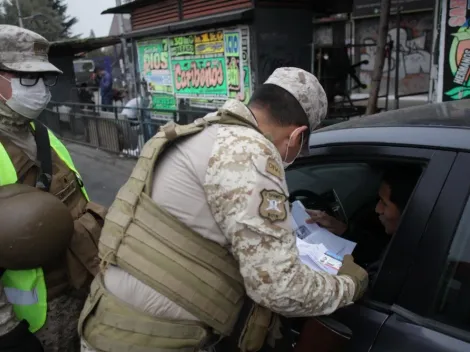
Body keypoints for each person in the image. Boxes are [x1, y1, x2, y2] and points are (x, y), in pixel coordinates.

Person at [79, 67, 368, 352]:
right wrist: (349, 284)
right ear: (297, 136)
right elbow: (280, 289)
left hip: (110, 320)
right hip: (157, 337)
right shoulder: (250, 152)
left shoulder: (202, 131)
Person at [0, 25, 107, 352]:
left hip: (81, 294)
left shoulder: (40, 133)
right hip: (31, 320)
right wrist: (7, 332)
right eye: (27, 78)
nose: (40, 90)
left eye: (44, 79)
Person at [307, 165, 422, 269]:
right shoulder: (407, 241)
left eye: (384, 203)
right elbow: (376, 250)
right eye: (379, 200)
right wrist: (343, 230)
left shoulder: (405, 263)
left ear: (408, 209)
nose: (378, 209)